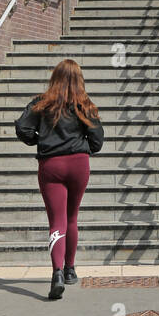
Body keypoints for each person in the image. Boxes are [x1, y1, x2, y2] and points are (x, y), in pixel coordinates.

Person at [14, 59, 105, 299]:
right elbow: (97, 142)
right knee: (72, 217)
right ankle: (71, 269)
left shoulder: (41, 103)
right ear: (79, 79)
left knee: (57, 221)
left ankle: (56, 273)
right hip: (78, 164)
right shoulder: (85, 105)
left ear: (54, 78)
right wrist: (82, 145)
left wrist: (39, 140)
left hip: (51, 165)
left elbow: (22, 128)